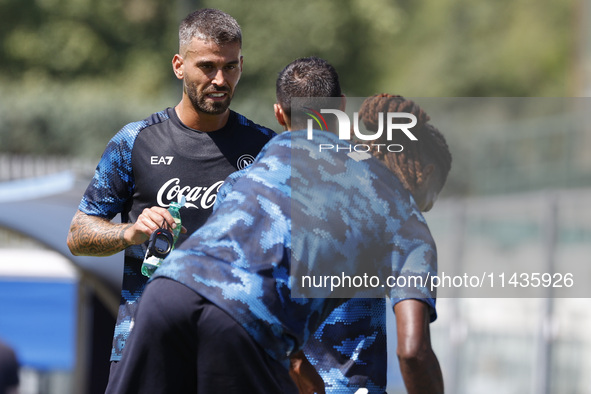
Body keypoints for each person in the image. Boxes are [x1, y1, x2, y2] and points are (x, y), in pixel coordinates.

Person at [105, 57, 442, 394]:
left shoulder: (251, 171)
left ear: (280, 114)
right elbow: (413, 352)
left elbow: (252, 272)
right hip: (244, 325)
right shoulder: (399, 212)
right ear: (340, 107)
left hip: (166, 292)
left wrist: (296, 360)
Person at [66, 8, 275, 374]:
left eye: (230, 67)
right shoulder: (135, 142)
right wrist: (129, 233)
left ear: (242, 65)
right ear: (179, 65)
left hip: (235, 347)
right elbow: (78, 235)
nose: (220, 79)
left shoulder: (266, 149)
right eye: (207, 67)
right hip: (146, 342)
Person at [302, 94, 452, 393]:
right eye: (436, 193)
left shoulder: (304, 193)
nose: (430, 206)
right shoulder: (405, 224)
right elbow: (413, 352)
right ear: (428, 174)